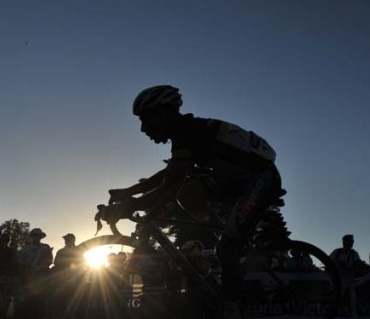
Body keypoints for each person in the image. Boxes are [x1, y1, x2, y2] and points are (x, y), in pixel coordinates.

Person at [98, 85, 281, 319]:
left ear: (164, 113)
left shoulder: (189, 132)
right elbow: (171, 173)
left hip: (260, 179)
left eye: (146, 119)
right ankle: (221, 235)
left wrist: (126, 206)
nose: (144, 128)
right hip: (235, 179)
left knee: (226, 247)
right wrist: (129, 192)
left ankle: (231, 302)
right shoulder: (186, 132)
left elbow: (168, 190)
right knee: (187, 188)